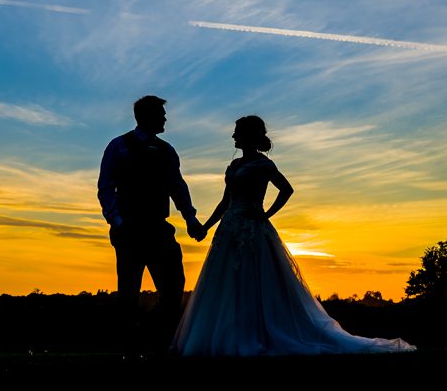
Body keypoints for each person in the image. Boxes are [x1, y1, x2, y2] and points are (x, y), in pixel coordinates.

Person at [172, 115, 415, 356]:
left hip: (253, 228)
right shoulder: (234, 166)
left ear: (248, 135)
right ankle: (226, 334)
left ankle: (257, 334)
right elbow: (225, 201)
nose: (233, 135)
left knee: (253, 281)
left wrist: (266, 214)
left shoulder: (264, 165)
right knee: (225, 284)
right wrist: (206, 226)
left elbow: (286, 189)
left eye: (237, 131)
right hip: (229, 229)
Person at [98, 95, 206, 355]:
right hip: (130, 228)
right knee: (128, 292)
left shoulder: (167, 151)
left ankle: (159, 341)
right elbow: (105, 187)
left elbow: (177, 187)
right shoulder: (119, 146)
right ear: (147, 116)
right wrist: (117, 220)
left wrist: (190, 218)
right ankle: (130, 348)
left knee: (173, 287)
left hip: (159, 227)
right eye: (161, 113)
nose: (166, 118)